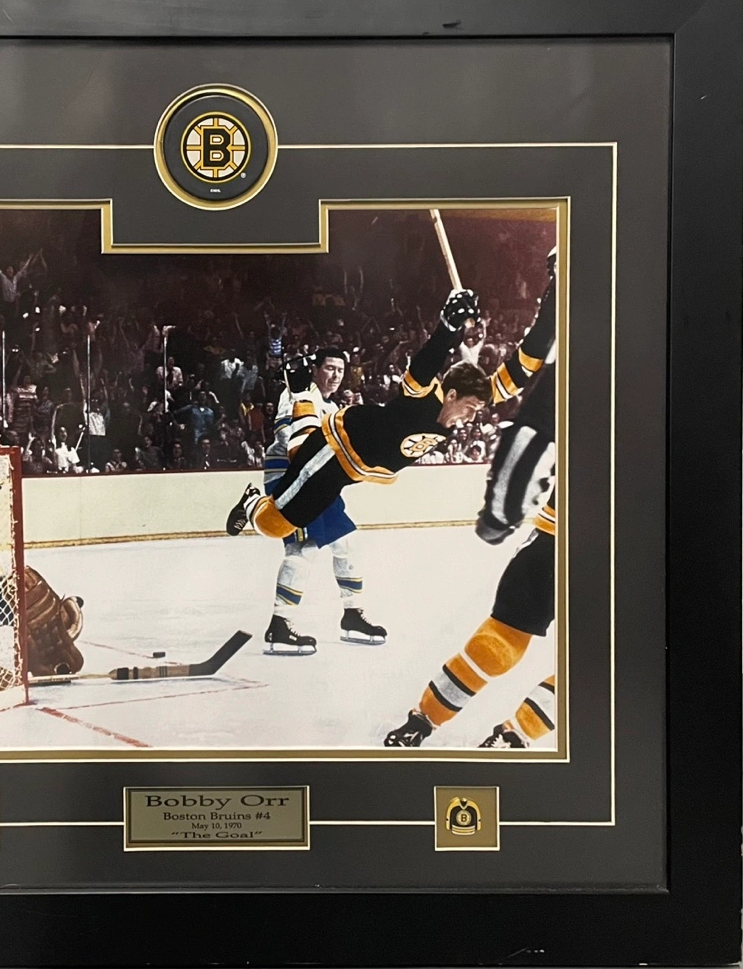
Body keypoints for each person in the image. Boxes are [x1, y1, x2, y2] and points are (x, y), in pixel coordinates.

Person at [383, 260, 557, 748]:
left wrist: (500, 515)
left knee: (506, 643)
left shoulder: (582, 349)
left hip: (571, 534)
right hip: (601, 534)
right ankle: (483, 730)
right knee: (598, 658)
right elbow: (504, 381)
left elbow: (529, 423)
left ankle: (471, 728)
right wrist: (464, 353)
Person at [226, 288, 489, 545]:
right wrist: (447, 327)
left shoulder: (453, 414)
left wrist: (471, 354)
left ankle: (301, 393)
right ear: (451, 395)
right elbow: (424, 366)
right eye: (470, 408)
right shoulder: (426, 397)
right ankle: (250, 499)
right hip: (338, 451)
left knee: (300, 453)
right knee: (273, 524)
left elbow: (478, 388)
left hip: (351, 471)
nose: (471, 417)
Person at [260, 347, 386, 656]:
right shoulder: (297, 394)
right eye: (329, 368)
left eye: (340, 370)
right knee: (303, 548)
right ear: (315, 370)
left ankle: (352, 615)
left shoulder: (331, 407)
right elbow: (290, 440)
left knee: (346, 544)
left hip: (318, 481)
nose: (335, 375)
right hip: (291, 478)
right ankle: (279, 625)